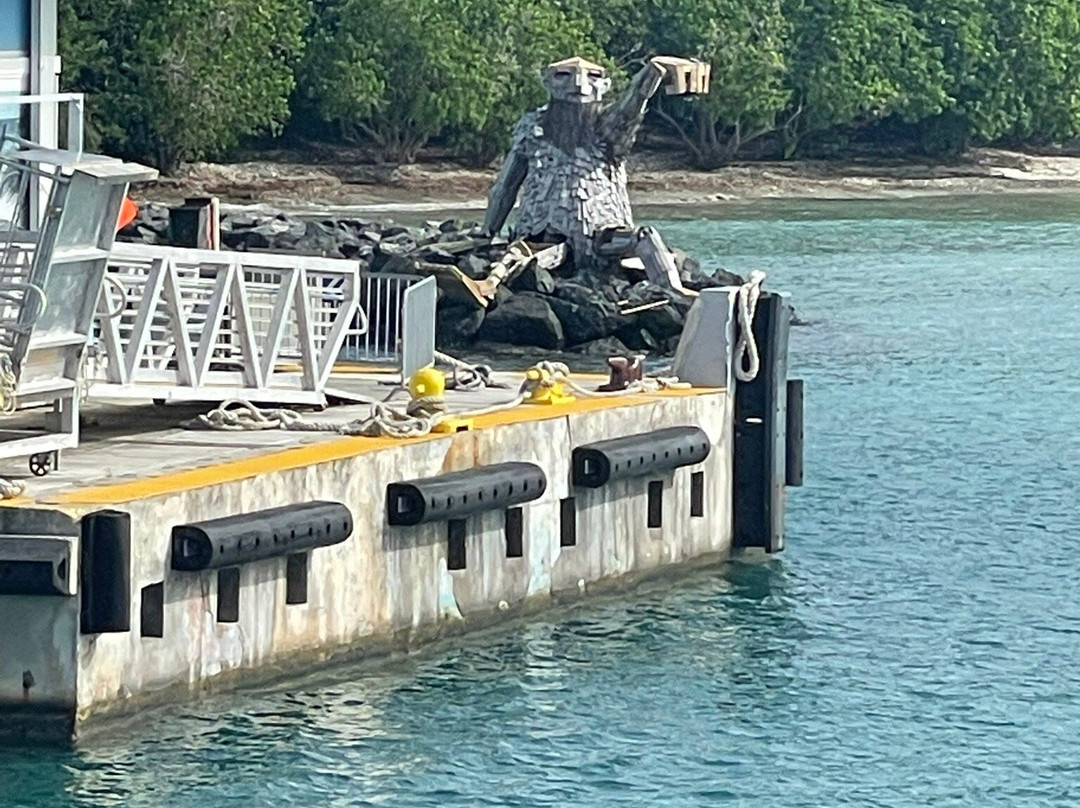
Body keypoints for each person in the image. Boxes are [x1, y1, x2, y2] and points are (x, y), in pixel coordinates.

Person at [480, 55, 709, 300]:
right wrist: (488, 232)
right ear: (547, 82)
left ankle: (673, 290)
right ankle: (489, 285)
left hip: (602, 235)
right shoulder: (531, 129)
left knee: (645, 237)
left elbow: (632, 105)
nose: (579, 85)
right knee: (519, 255)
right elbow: (506, 186)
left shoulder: (607, 129)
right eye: (564, 76)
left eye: (593, 77)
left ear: (605, 85)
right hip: (542, 233)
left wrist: (652, 72)